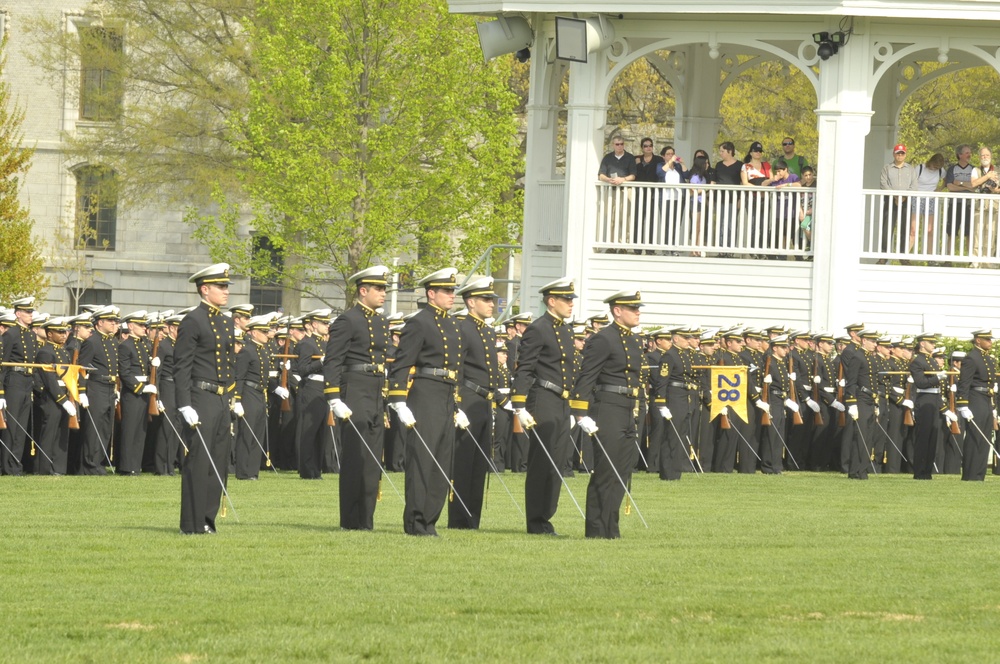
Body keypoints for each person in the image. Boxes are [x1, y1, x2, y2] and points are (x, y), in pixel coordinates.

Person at [387, 268, 463, 537]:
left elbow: (458, 366)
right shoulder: (420, 322)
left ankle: (430, 520)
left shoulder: (453, 324)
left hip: (446, 394)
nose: (452, 295)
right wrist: (398, 401)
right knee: (423, 459)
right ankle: (416, 521)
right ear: (432, 294)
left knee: (442, 461)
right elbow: (402, 362)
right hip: (426, 392)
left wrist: (459, 403)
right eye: (447, 291)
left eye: (453, 291)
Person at [570, 289, 644, 539]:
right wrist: (580, 412)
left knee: (622, 471)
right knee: (606, 471)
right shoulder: (604, 338)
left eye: (638, 308)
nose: (638, 312)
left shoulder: (634, 340)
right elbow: (587, 374)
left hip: (626, 407)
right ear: (617, 311)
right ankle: (595, 529)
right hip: (608, 406)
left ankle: (611, 528)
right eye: (633, 308)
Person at [324, 266, 391, 530]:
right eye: (379, 288)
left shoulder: (381, 321)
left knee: (373, 460)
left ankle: (366, 519)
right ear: (363, 291)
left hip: (374, 391)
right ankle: (350, 519)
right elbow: (333, 360)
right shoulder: (348, 320)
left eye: (384, 288)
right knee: (355, 458)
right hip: (355, 390)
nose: (383, 293)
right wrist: (334, 398)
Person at [511, 277, 578, 536]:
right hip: (544, 398)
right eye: (566, 299)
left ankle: (546, 517)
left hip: (561, 401)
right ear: (552, 301)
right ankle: (536, 520)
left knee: (557, 463)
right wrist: (520, 405)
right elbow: (525, 368)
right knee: (543, 462)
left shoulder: (565, 329)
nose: (571, 304)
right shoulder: (538, 328)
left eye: (572, 299)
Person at [174, 263, 237, 535]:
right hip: (200, 396)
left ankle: (208, 519)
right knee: (199, 462)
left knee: (219, 462)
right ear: (204, 289)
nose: (226, 292)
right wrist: (184, 403)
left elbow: (229, 362)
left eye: (226, 286)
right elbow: (182, 365)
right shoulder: (193, 320)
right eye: (221, 287)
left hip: (221, 399)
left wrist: (233, 396)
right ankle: (192, 521)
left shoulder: (226, 321)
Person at [449, 276, 500, 529]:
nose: (491, 304)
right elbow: (456, 368)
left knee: (479, 464)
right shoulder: (462, 327)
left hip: (483, 401)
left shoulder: (487, 330)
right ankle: (458, 519)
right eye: (485, 299)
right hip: (467, 399)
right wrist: (455, 405)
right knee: (463, 463)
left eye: (492, 299)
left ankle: (473, 519)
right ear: (471, 302)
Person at [77, 305, 121, 476]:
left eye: (115, 321)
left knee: (104, 428)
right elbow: (81, 368)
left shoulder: (112, 341)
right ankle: (88, 464)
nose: (114, 324)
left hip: (109, 387)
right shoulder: (91, 342)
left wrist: (116, 388)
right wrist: (82, 391)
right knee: (93, 429)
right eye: (111, 321)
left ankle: (98, 462)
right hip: (96, 387)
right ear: (100, 322)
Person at [0, 297, 40, 475]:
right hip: (14, 381)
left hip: (26, 381)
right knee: (11, 426)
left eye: (31, 312)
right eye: (27, 312)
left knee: (21, 427)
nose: (31, 315)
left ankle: (16, 465)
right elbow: (2, 364)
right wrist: (1, 392)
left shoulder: (31, 335)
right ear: (18, 314)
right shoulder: (11, 334)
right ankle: (7, 466)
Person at [35, 317, 77, 475]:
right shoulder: (45, 352)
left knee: (61, 435)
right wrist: (63, 400)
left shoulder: (63, 352)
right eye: (60, 332)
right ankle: (44, 468)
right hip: (52, 399)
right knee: (49, 434)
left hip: (65, 396)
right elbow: (49, 380)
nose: (64, 335)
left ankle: (58, 468)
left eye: (65, 332)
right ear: (49, 334)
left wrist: (71, 397)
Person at [294, 309, 333, 479]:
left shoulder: (325, 344)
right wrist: (321, 362)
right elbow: (302, 370)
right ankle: (307, 469)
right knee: (309, 430)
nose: (327, 326)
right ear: (314, 324)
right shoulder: (306, 344)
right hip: (311, 387)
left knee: (320, 431)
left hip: (323, 389)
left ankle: (316, 469)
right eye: (324, 323)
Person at [234, 315, 274, 480]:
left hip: (260, 394)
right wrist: (237, 399)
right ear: (254, 333)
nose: (267, 335)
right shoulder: (247, 350)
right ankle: (243, 472)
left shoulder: (263, 350)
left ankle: (253, 471)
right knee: (247, 433)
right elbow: (239, 377)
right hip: (248, 394)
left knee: (258, 433)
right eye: (263, 332)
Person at [117, 311, 156, 475]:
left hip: (144, 392)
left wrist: (153, 365)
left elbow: (147, 369)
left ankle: (135, 465)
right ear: (131, 326)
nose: (144, 328)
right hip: (133, 393)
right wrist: (140, 387)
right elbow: (124, 373)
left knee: (140, 430)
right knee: (130, 430)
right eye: (141, 325)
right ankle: (126, 466)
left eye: (145, 325)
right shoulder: (125, 346)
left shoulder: (143, 345)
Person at [955, 329, 997, 481]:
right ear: (978, 340)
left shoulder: (989, 359)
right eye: (987, 339)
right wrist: (963, 405)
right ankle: (971, 474)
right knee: (975, 437)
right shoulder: (971, 358)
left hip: (986, 398)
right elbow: (964, 383)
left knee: (985, 436)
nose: (990, 342)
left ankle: (980, 474)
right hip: (975, 398)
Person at [843, 330, 881, 480]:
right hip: (861, 400)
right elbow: (851, 382)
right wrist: (851, 403)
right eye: (872, 341)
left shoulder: (870, 358)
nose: (875, 344)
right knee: (860, 436)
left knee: (868, 436)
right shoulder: (857, 357)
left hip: (870, 400)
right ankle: (855, 470)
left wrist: (876, 402)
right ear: (864, 340)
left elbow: (873, 381)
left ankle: (862, 469)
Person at [909, 333, 943, 480]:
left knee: (933, 436)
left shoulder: (931, 361)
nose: (933, 345)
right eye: (931, 342)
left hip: (934, 399)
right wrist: (937, 378)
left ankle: (927, 471)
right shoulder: (917, 361)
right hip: (924, 399)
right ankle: (919, 471)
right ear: (922, 344)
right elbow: (921, 383)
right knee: (923, 436)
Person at [879, 144, 918, 258]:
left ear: (905, 155)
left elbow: (914, 185)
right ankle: (884, 255)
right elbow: (883, 183)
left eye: (902, 153)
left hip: (906, 201)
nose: (900, 155)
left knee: (905, 228)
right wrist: (896, 197)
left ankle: (902, 256)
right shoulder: (887, 168)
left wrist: (904, 197)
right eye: (898, 153)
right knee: (887, 227)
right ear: (894, 154)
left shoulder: (910, 169)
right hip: (891, 200)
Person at [597, 135, 636, 245]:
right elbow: (601, 175)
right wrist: (609, 179)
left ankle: (624, 244)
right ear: (613, 145)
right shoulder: (608, 157)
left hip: (625, 190)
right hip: (611, 191)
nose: (619, 146)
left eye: (621, 144)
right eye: (617, 144)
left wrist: (622, 179)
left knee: (625, 218)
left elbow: (633, 176)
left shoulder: (630, 157)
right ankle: (611, 244)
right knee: (611, 218)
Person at [943, 144, 979, 250]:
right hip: (955, 204)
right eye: (967, 153)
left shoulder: (974, 169)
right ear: (960, 155)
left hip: (969, 204)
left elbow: (975, 186)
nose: (969, 155)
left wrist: (960, 182)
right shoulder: (952, 169)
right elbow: (950, 186)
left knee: (969, 232)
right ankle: (948, 260)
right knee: (952, 232)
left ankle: (970, 260)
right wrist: (968, 187)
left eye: (970, 152)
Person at [741, 141, 772, 251]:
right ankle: (753, 249)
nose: (758, 153)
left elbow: (771, 180)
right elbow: (745, 183)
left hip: (765, 199)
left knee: (764, 224)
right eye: (756, 151)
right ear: (751, 153)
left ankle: (764, 249)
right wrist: (759, 189)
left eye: (760, 151)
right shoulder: (746, 166)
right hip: (752, 198)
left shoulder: (767, 165)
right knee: (754, 224)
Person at [910, 153, 945, 253]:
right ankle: (905, 256)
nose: (935, 169)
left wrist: (940, 188)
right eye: (934, 166)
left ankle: (930, 255)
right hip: (917, 198)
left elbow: (946, 179)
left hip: (931, 199)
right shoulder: (920, 168)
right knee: (913, 229)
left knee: (930, 230)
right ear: (931, 162)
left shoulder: (940, 171)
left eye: (937, 167)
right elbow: (911, 181)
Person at [633, 138, 664, 246]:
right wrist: (638, 165)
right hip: (639, 193)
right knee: (638, 220)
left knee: (651, 221)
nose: (648, 147)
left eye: (650, 145)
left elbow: (656, 175)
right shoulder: (636, 159)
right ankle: (637, 247)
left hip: (653, 194)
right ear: (642, 148)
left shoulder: (659, 160)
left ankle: (650, 247)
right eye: (646, 146)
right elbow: (638, 176)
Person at [972, 146, 1000, 264]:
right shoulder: (975, 170)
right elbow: (974, 183)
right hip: (979, 205)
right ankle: (975, 261)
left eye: (987, 155)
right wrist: (987, 177)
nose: (985, 157)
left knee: (991, 233)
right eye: (982, 155)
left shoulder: (997, 170)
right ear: (979, 157)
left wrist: (995, 190)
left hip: (993, 206)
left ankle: (988, 261)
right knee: (977, 233)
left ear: (991, 156)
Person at [715, 141, 742, 249]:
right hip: (720, 199)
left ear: (730, 151)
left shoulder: (740, 165)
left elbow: (742, 183)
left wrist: (740, 199)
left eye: (722, 151)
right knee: (721, 223)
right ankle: (721, 248)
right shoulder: (718, 165)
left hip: (733, 200)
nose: (720, 153)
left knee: (731, 224)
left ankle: (730, 248)